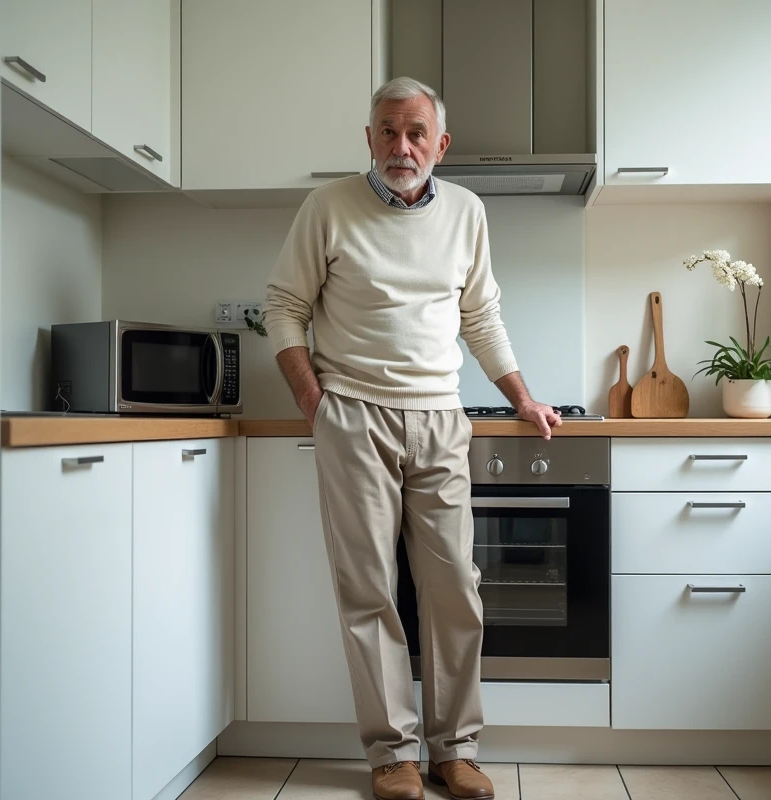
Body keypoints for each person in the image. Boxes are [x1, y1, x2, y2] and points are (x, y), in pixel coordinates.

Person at [263, 76, 561, 800]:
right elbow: (282, 308)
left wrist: (520, 396)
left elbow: (480, 315)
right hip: (354, 414)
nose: (403, 146)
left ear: (441, 143)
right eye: (389, 131)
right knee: (369, 591)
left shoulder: (466, 211)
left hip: (439, 415)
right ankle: (392, 753)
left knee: (455, 587)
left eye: (416, 132)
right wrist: (313, 399)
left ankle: (454, 750)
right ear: (369, 138)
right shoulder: (326, 206)